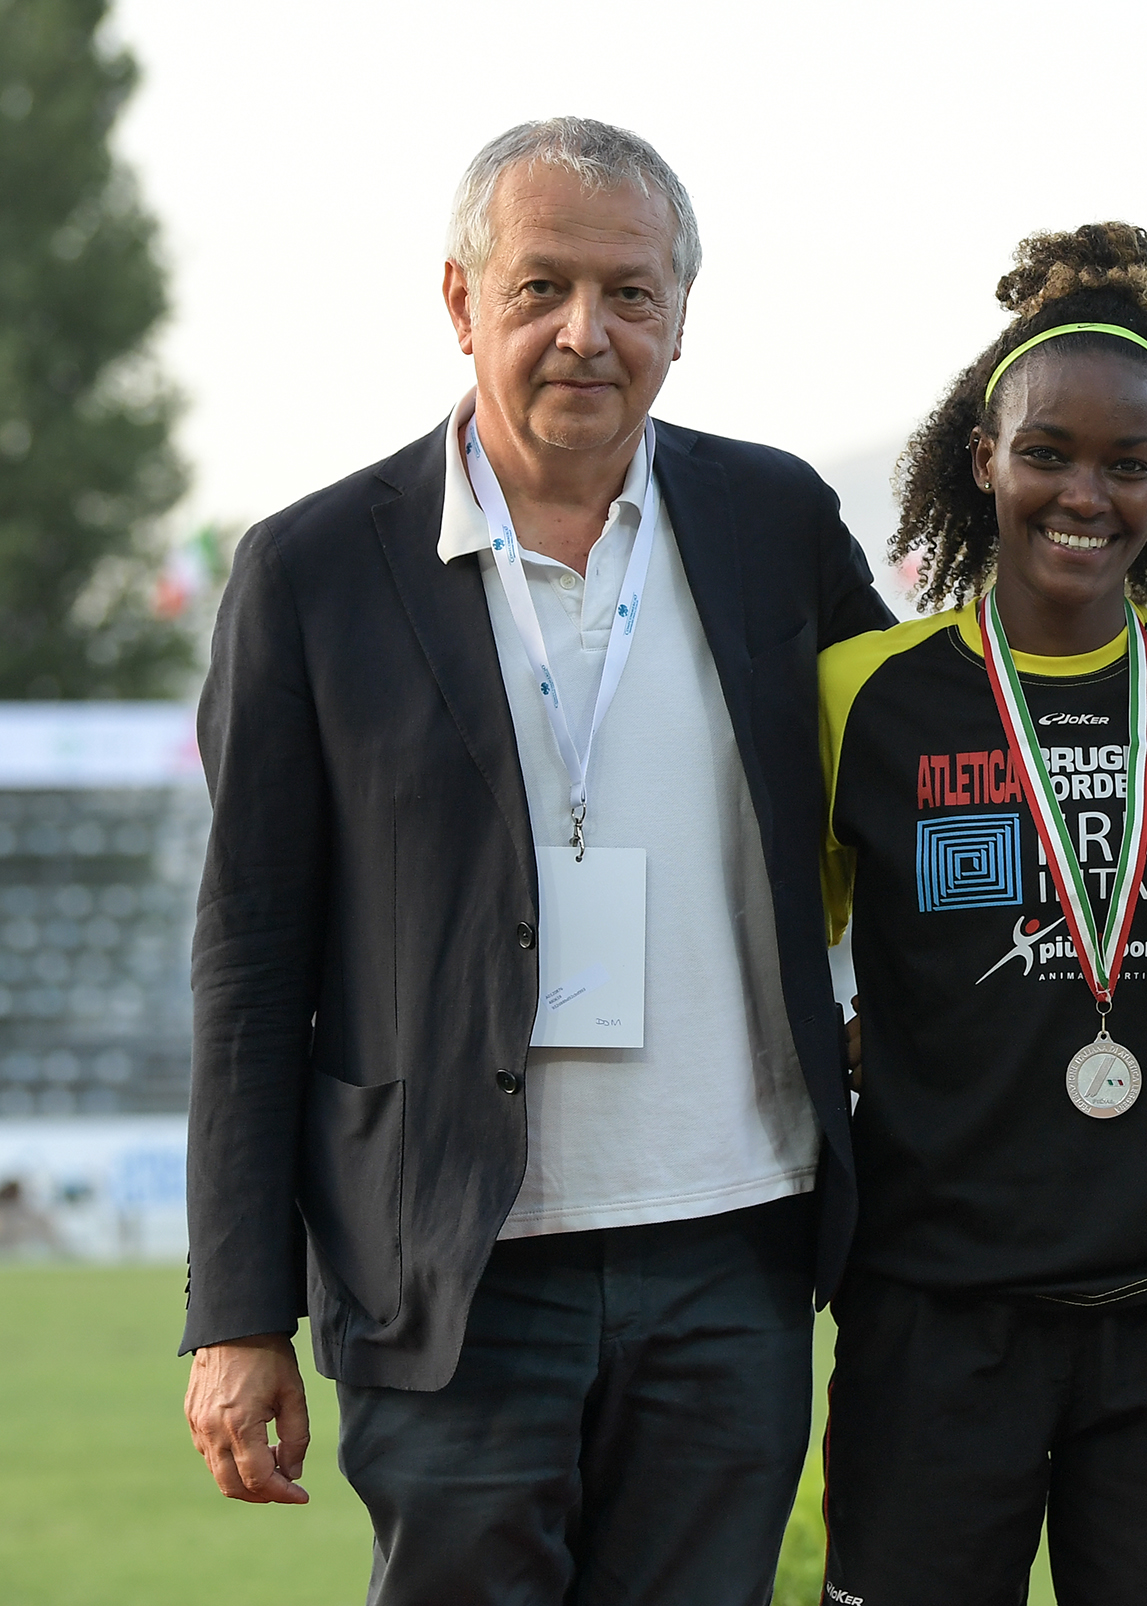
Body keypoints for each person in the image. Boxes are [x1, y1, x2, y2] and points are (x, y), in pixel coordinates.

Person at [179, 118, 890, 1604]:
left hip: (732, 1243)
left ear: (681, 315)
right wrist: (237, 1311)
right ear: (461, 300)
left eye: (631, 293)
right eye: (542, 286)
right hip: (450, 1259)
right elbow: (250, 962)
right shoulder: (311, 570)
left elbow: (914, 786)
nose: (587, 332)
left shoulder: (777, 525)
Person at [815, 222, 1147, 1605]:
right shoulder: (862, 694)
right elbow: (780, 962)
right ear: (983, 459)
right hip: (933, 1314)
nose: (1087, 493)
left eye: (1129, 461)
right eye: (1048, 453)